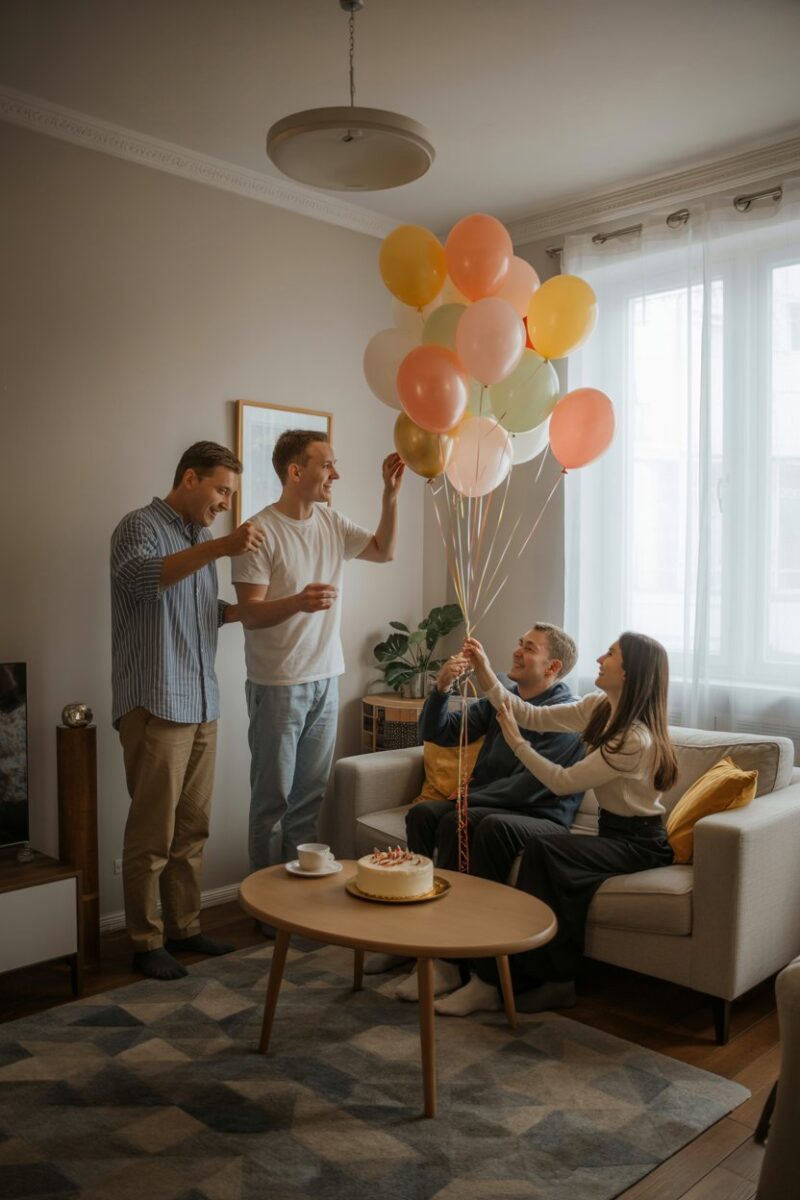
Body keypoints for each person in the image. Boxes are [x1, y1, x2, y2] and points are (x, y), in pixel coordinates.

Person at [433, 631, 678, 1017]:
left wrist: (517, 744)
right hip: (612, 833)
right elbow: (529, 714)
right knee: (541, 851)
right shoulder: (599, 707)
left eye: (610, 654)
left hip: (640, 844)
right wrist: (483, 671)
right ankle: (526, 980)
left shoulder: (634, 739)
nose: (599, 658)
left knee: (543, 848)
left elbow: (562, 781)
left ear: (630, 673)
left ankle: (529, 981)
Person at [111, 441, 268, 981]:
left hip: (202, 702)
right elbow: (142, 579)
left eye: (230, 493)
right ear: (188, 478)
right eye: (221, 489)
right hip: (156, 701)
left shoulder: (201, 541)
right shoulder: (138, 527)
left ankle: (185, 927)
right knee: (151, 833)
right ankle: (144, 940)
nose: (226, 501)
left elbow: (202, 612)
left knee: (192, 828)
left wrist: (252, 610)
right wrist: (222, 547)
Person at [232, 430, 404, 876]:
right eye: (327, 465)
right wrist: (297, 602)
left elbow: (384, 551)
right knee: (272, 804)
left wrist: (390, 496)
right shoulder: (258, 532)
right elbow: (248, 614)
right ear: (295, 471)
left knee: (308, 802)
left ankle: (297, 903)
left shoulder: (332, 522)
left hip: (327, 679)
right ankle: (266, 907)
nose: (336, 474)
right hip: (277, 685)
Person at [392, 623, 586, 999]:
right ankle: (415, 942)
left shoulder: (567, 713)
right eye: (519, 641)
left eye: (529, 648)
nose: (516, 651)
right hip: (489, 807)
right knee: (423, 814)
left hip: (542, 816)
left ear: (552, 667)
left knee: (460, 819)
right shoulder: (504, 698)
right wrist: (441, 689)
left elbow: (532, 786)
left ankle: (452, 963)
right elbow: (439, 733)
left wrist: (468, 800)